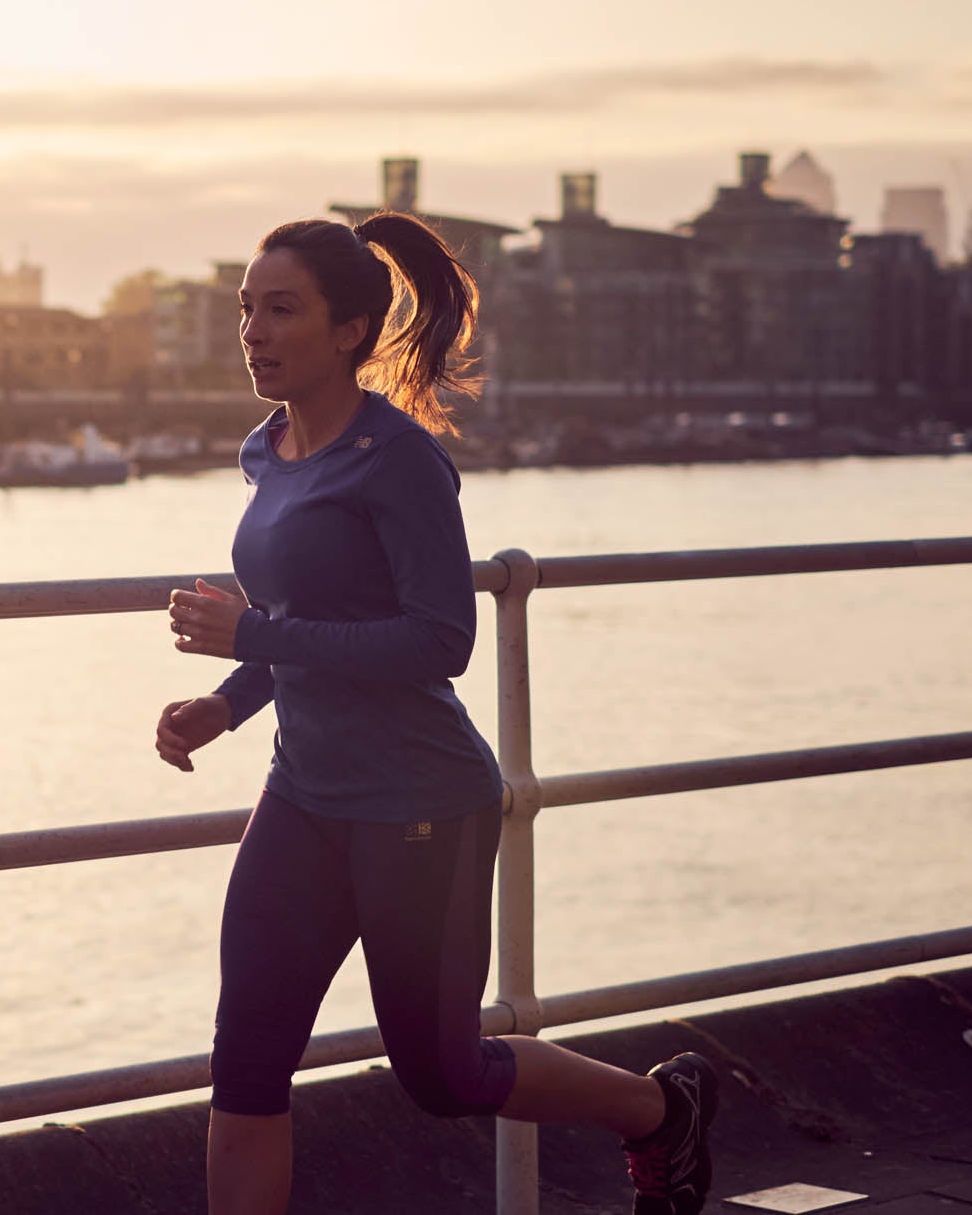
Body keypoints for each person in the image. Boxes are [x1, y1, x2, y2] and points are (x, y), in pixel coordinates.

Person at [156, 213, 719, 1215]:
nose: (252, 331)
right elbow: (308, 621)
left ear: (348, 331)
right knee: (245, 1063)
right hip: (305, 797)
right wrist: (227, 703)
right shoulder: (267, 449)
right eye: (245, 309)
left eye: (280, 310)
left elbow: (436, 641)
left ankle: (659, 1113)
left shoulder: (399, 460)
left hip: (420, 803)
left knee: (443, 1075)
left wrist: (252, 642)